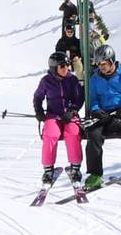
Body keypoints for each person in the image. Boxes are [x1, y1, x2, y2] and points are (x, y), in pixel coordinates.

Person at [84, 44, 121, 191]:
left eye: (104, 64)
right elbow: (93, 99)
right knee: (93, 136)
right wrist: (96, 110)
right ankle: (95, 174)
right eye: (99, 64)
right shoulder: (95, 79)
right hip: (104, 114)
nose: (101, 67)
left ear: (112, 61)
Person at [32, 50, 85, 189]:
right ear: (54, 68)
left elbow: (79, 98)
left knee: (73, 133)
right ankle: (48, 170)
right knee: (50, 134)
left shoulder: (72, 80)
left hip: (69, 115)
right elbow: (37, 97)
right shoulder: (46, 81)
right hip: (53, 115)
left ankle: (75, 168)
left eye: (67, 65)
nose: (66, 68)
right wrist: (39, 111)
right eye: (62, 66)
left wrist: (72, 111)